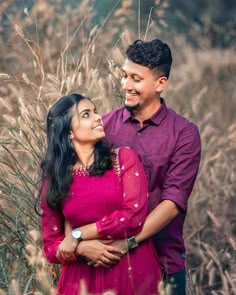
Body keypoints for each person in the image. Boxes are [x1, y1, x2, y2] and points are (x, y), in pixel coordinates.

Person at [100, 39, 201, 294]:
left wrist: (129, 241)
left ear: (160, 84)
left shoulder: (184, 134)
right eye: (124, 76)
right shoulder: (105, 126)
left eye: (136, 78)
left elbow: (173, 202)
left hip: (164, 261)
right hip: (109, 261)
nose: (125, 85)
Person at [40, 93, 162, 295]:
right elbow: (51, 247)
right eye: (86, 114)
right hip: (81, 279)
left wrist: (78, 235)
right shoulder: (56, 179)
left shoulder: (122, 159)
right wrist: (82, 248)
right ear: (69, 131)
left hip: (130, 269)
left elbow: (132, 217)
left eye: (95, 111)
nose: (98, 117)